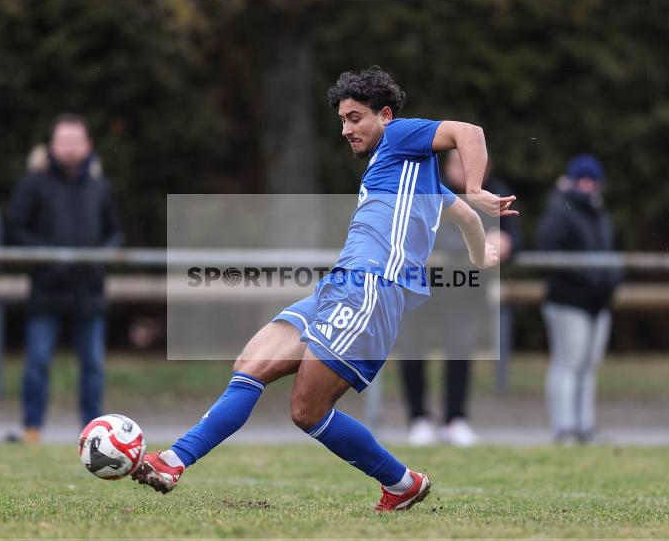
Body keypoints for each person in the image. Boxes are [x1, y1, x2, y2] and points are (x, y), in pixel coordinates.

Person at [131, 66, 517, 512]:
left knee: (307, 411)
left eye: (355, 118)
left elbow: (469, 131)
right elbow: (468, 219)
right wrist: (479, 255)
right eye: (341, 120)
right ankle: (173, 460)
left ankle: (401, 482)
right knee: (251, 364)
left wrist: (475, 187)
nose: (346, 129)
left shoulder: (398, 136)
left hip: (371, 290)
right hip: (338, 285)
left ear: (385, 116)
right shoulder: (406, 172)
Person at [7, 114, 123, 444]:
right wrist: (49, 258)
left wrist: (98, 259)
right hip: (47, 291)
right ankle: (32, 429)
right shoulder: (33, 185)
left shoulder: (100, 187)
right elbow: (15, 229)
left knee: (93, 367)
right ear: (52, 146)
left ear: (88, 146)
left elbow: (115, 233)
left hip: (89, 292)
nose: (70, 148)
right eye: (64, 141)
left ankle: (93, 433)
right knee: (38, 362)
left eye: (76, 141)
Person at [400, 150, 522, 446]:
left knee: (460, 351)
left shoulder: (495, 192)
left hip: (466, 290)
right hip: (424, 287)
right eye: (459, 164)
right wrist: (480, 241)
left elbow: (512, 236)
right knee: (414, 350)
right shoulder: (429, 189)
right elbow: (437, 238)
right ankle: (419, 418)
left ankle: (455, 419)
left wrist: (506, 242)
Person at [535, 154, 622, 444]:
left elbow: (607, 254)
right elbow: (549, 251)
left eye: (592, 180)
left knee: (588, 366)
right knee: (568, 363)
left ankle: (585, 426)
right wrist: (588, 277)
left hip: (596, 302)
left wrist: (607, 282)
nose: (587, 185)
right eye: (582, 179)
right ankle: (565, 428)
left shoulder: (599, 212)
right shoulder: (560, 210)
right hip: (569, 300)